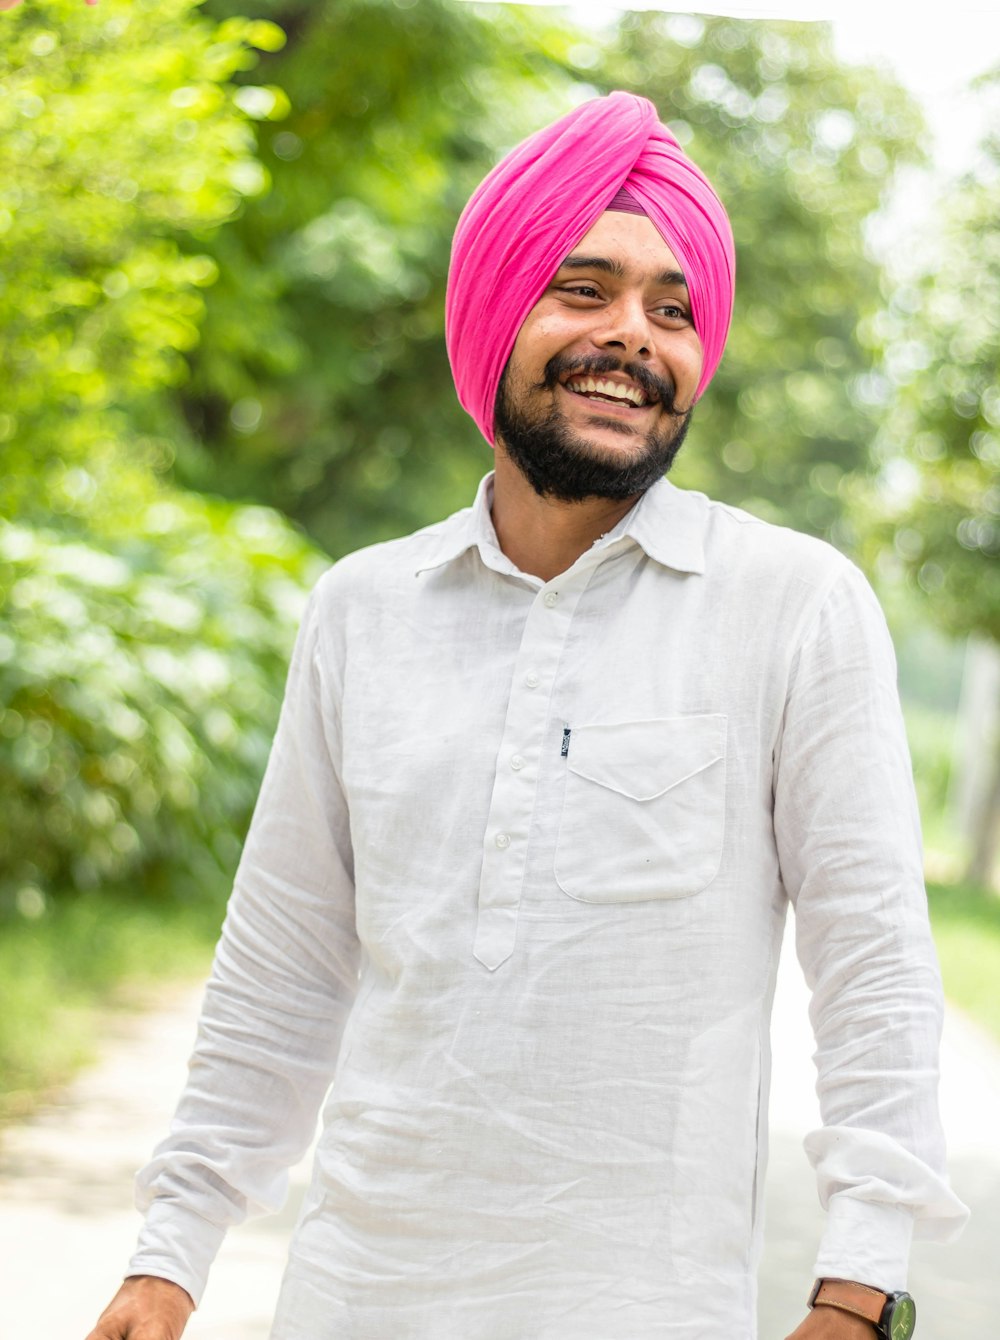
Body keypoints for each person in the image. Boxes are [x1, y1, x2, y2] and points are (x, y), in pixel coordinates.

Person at [86, 91, 967, 1340]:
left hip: (646, 1308)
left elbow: (872, 966)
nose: (634, 336)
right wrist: (170, 1250)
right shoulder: (364, 608)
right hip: (351, 1297)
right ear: (495, 312)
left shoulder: (793, 605)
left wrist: (857, 1287)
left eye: (673, 308)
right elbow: (281, 964)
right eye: (585, 288)